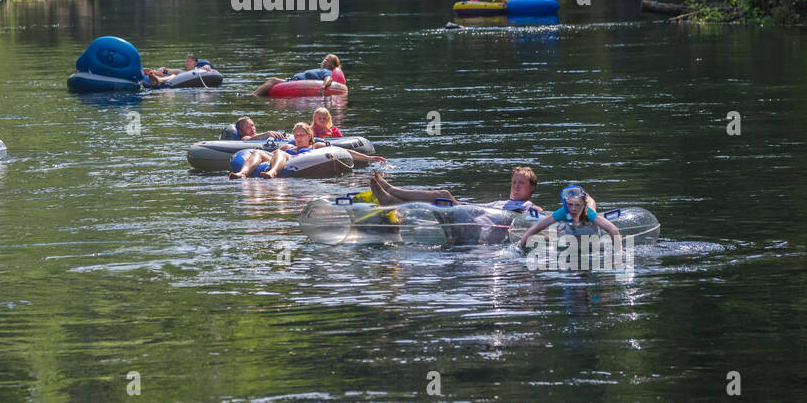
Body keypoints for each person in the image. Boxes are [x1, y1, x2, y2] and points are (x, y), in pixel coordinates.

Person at [230, 123, 385, 179]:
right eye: (296, 135)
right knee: (258, 152)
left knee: (280, 153)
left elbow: (343, 151)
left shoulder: (316, 146)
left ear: (309, 136)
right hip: (280, 160)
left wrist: (368, 158)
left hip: (297, 164)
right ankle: (242, 174)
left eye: (301, 135)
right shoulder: (288, 147)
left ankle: (273, 173)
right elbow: (268, 156)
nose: (297, 138)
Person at [365, 166, 546, 211]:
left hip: (472, 222)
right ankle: (391, 200)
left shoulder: (527, 206)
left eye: (521, 183)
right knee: (438, 203)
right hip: (471, 213)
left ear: (531, 189)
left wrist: (535, 209)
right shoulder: (505, 202)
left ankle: (391, 189)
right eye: (514, 182)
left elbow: (538, 212)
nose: (515, 186)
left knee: (444, 195)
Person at [513, 185, 618, 250]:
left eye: (577, 205)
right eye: (570, 205)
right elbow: (537, 228)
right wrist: (519, 246)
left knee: (591, 209)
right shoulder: (563, 212)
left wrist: (619, 250)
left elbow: (613, 230)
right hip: (569, 229)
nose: (573, 209)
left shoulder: (589, 213)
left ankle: (588, 198)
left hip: (587, 220)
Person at [253, 53, 347, 97]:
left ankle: (254, 96)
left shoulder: (326, 71)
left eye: (328, 60)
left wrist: (323, 87)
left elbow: (329, 79)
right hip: (292, 81)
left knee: (272, 80)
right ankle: (256, 95)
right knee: (272, 81)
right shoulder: (320, 70)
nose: (324, 61)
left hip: (295, 82)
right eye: (325, 59)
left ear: (332, 65)